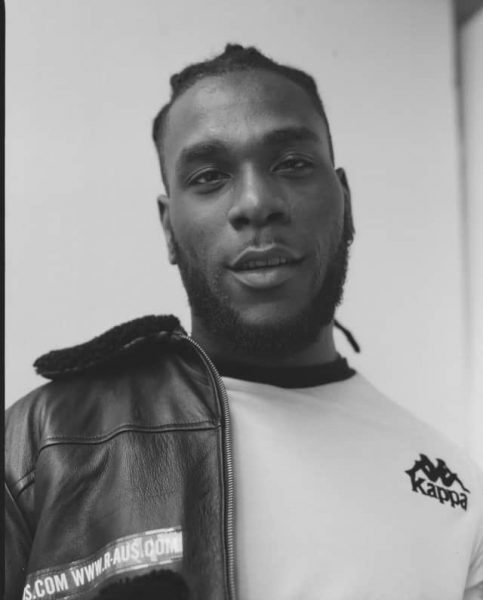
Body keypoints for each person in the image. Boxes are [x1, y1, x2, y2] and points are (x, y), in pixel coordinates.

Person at [5, 43, 483, 600]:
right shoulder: (43, 446)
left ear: (345, 201)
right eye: (210, 176)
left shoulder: (457, 495)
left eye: (292, 164)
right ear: (168, 228)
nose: (256, 203)